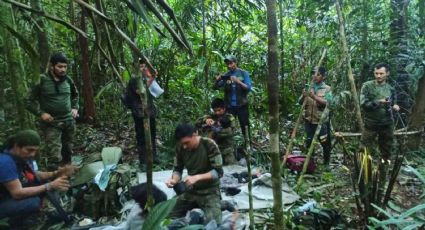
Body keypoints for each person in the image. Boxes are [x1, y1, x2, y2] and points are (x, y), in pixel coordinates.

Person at [0, 130, 76, 225]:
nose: (32, 154)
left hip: (10, 195)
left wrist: (56, 173)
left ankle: (46, 209)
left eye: (35, 150)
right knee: (33, 202)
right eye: (29, 150)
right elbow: (17, 193)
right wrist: (49, 186)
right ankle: (14, 223)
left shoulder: (22, 157)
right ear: (16, 146)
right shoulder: (5, 162)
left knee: (48, 187)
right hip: (4, 200)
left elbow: (33, 174)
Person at [27, 52, 79, 169]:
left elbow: (75, 95)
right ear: (52, 66)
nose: (63, 70)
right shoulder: (41, 80)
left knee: (68, 150)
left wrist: (75, 108)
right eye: (59, 67)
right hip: (52, 123)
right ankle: (55, 182)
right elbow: (28, 101)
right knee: (54, 155)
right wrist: (41, 113)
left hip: (69, 121)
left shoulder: (68, 80)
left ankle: (67, 176)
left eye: (65, 67)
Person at [165, 123, 223, 224]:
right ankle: (197, 207)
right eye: (182, 143)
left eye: (187, 142)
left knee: (213, 223)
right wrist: (174, 180)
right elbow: (178, 169)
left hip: (209, 191)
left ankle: (221, 204)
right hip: (191, 191)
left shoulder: (209, 144)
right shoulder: (180, 147)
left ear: (195, 134)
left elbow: (218, 172)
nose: (184, 146)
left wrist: (197, 177)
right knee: (165, 214)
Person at [360, 63, 399, 160]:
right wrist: (378, 102)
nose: (378, 76)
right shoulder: (367, 86)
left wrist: (395, 106)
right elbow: (363, 104)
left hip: (387, 124)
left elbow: (393, 103)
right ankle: (363, 172)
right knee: (364, 150)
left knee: (386, 151)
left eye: (381, 73)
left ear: (387, 73)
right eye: (376, 73)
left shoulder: (391, 89)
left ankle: (382, 172)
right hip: (371, 124)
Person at [126, 60, 160, 166]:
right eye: (141, 66)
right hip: (139, 113)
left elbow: (154, 92)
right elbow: (141, 91)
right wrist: (151, 78)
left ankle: (154, 157)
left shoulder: (145, 78)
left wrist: (151, 77)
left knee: (152, 134)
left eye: (145, 66)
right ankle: (143, 160)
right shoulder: (134, 80)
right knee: (141, 136)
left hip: (149, 111)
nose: (143, 68)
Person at [213, 55, 252, 138]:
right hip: (230, 107)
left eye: (231, 63)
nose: (229, 66)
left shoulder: (243, 73)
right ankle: (230, 146)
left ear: (235, 62)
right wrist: (217, 80)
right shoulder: (226, 75)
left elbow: (248, 88)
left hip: (242, 106)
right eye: (227, 64)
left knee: (245, 126)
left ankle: (247, 145)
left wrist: (238, 82)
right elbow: (215, 87)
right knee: (227, 126)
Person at [300, 66, 332, 165]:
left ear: (323, 77)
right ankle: (310, 165)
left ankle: (326, 164)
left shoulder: (327, 89)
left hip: (321, 122)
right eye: (313, 74)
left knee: (325, 143)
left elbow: (328, 103)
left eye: (318, 74)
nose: (315, 76)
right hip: (308, 121)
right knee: (309, 143)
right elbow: (300, 102)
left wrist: (313, 96)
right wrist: (303, 96)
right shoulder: (308, 87)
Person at [196, 98, 237, 165]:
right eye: (215, 111)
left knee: (231, 169)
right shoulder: (212, 116)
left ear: (224, 109)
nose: (217, 113)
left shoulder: (229, 117)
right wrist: (205, 120)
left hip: (226, 151)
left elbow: (230, 132)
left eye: (219, 110)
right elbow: (197, 122)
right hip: (213, 151)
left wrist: (215, 129)